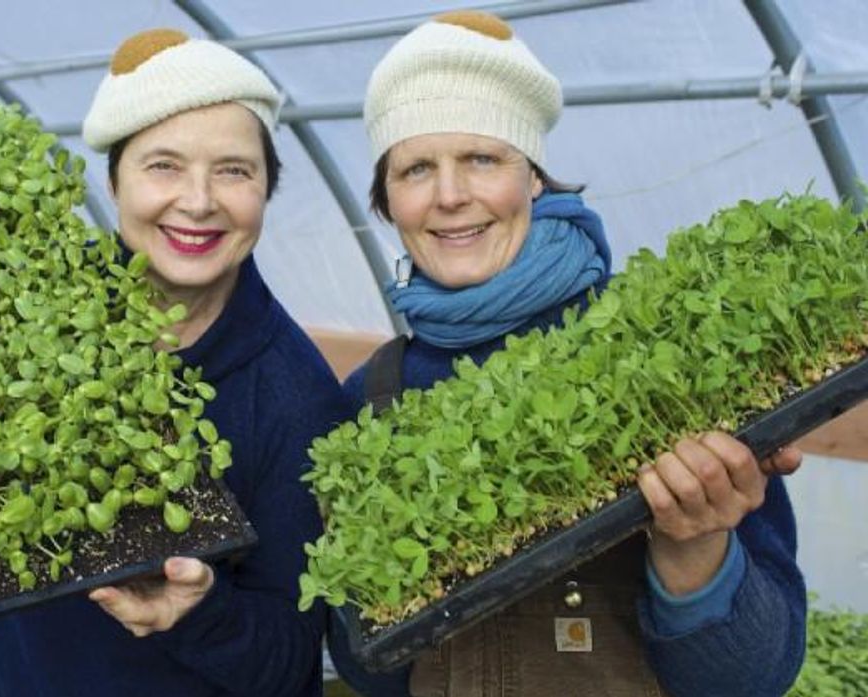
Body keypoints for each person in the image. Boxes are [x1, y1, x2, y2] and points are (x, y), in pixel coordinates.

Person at [328, 11, 807, 697]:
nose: (449, 195)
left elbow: (756, 678)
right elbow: (369, 671)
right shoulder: (370, 396)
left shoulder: (668, 352)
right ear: (386, 203)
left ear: (532, 177)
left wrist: (695, 549)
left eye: (482, 158)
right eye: (414, 169)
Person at [0, 28, 348, 697]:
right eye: (163, 165)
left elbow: (289, 658)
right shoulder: (28, 309)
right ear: (113, 180)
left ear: (267, 188)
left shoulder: (295, 398)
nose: (197, 200)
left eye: (234, 170)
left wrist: (199, 610)